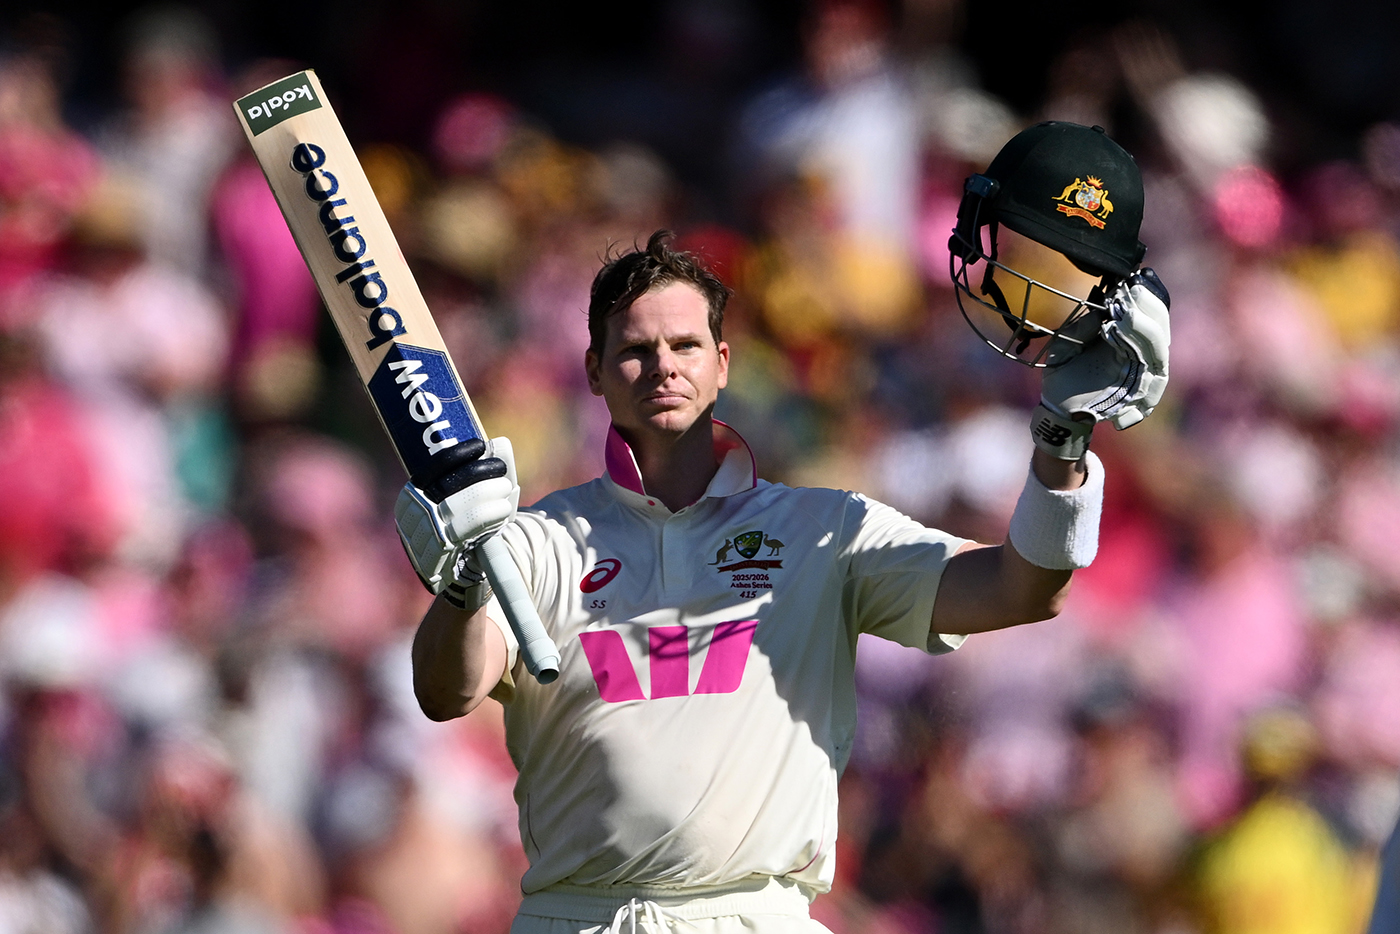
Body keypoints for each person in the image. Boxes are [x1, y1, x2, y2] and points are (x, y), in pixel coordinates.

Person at [397, 122, 1170, 934]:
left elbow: (1024, 588)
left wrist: (1062, 439)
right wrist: (458, 587)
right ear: (593, 369)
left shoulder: (821, 531)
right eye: (635, 349)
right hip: (583, 918)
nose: (664, 366)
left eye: (686, 345)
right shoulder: (533, 541)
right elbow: (446, 691)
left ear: (723, 363)